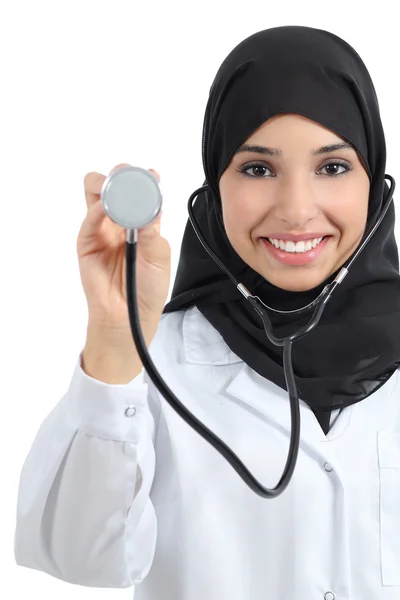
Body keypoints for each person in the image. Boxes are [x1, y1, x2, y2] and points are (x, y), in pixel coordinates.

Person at [14, 25, 400, 599]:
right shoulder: (151, 364)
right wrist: (115, 340)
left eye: (333, 167)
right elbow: (76, 558)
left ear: (375, 183)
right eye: (258, 169)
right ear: (214, 188)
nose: (297, 209)